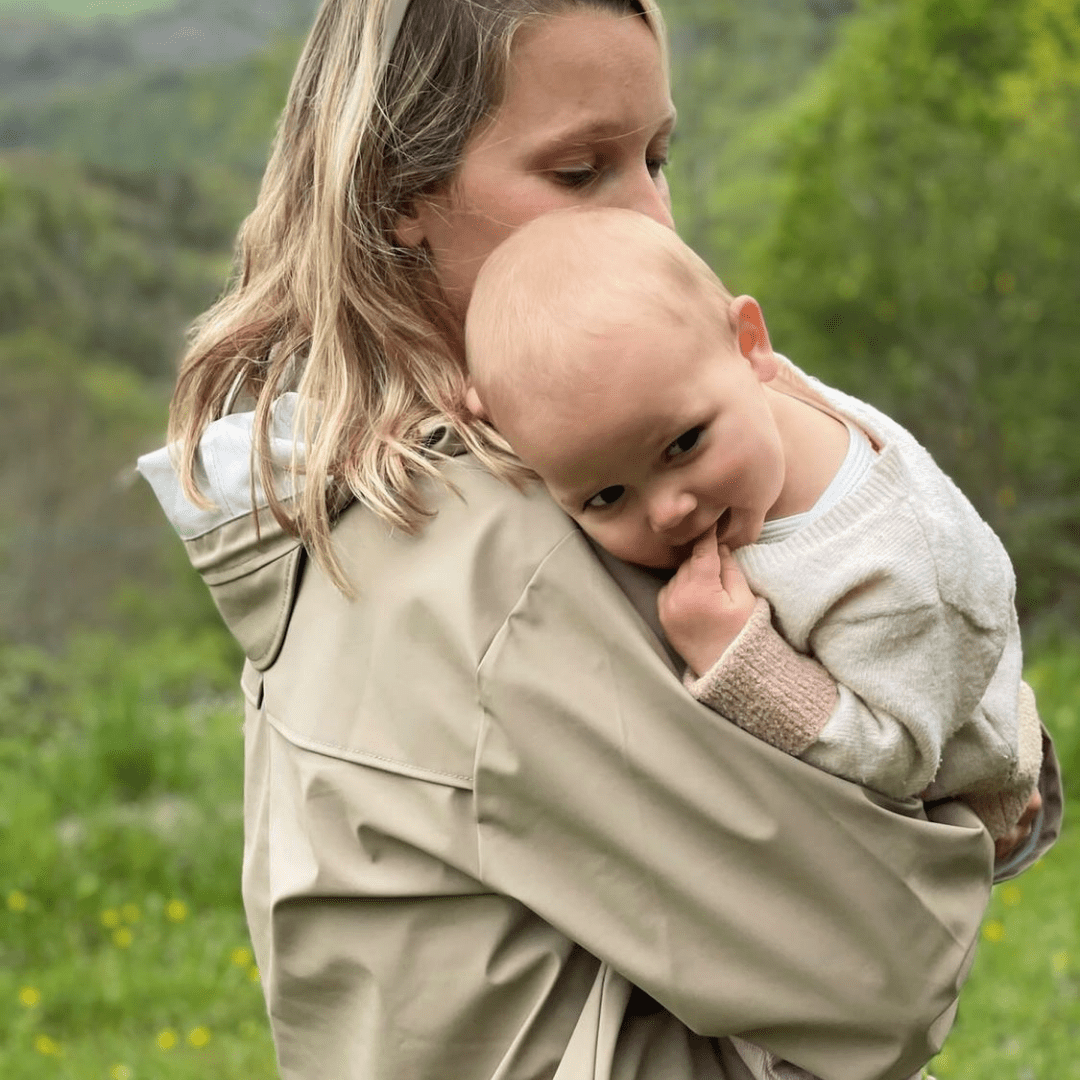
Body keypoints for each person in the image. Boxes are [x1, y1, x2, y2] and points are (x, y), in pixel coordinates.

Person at [136, 2, 1061, 1079]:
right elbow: (887, 969)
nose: (652, 225)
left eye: (658, 157)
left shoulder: (363, 485)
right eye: (580, 173)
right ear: (401, 200)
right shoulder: (500, 553)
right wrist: (981, 757)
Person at [462, 207, 1048, 1080]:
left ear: (752, 344)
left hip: (943, 783)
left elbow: (897, 759)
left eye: (684, 445)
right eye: (605, 498)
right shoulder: (705, 387)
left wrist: (744, 661)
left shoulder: (889, 578)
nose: (670, 510)